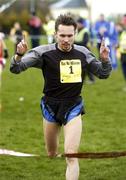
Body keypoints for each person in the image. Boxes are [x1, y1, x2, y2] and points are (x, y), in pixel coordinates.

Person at [10, 14, 112, 180]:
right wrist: (19, 55)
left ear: (75, 34)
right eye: (62, 35)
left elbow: (103, 73)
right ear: (55, 34)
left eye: (70, 36)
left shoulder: (83, 53)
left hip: (73, 106)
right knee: (51, 153)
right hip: (50, 106)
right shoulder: (43, 52)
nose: (66, 39)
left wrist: (105, 60)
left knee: (71, 155)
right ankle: (53, 152)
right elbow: (16, 68)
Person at [74, 17, 95, 84]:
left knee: (86, 66)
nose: (77, 25)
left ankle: (91, 79)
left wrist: (74, 43)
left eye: (78, 23)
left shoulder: (85, 31)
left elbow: (84, 42)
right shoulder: (77, 31)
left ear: (82, 24)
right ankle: (81, 79)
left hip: (85, 50)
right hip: (78, 50)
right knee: (80, 66)